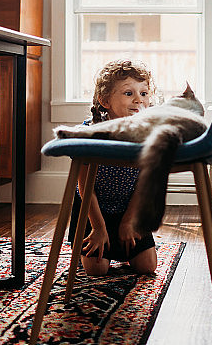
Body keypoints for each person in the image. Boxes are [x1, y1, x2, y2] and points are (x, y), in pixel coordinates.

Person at [76, 59, 158, 276]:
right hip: (94, 210)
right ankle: (86, 246)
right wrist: (98, 227)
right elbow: (84, 186)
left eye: (144, 93)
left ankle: (122, 240)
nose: (138, 100)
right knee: (97, 270)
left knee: (147, 266)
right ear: (105, 101)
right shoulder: (90, 133)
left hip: (130, 206)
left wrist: (129, 221)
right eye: (129, 93)